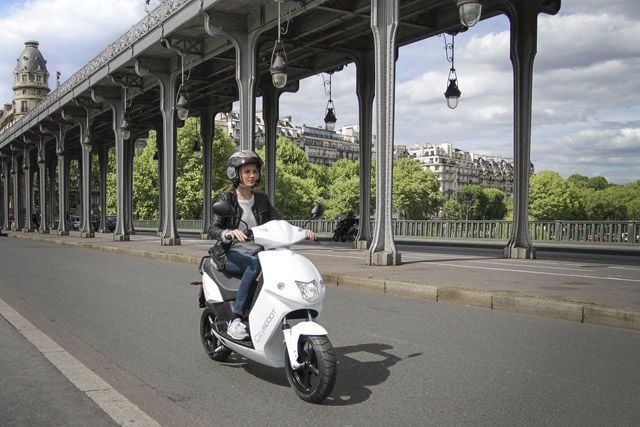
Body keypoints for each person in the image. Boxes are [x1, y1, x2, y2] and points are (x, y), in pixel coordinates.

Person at [208, 150, 316, 340]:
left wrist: (301, 231)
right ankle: (237, 319)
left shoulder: (262, 199)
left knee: (283, 261)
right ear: (235, 173)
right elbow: (213, 228)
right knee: (255, 264)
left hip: (259, 250)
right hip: (231, 253)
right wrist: (228, 233)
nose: (252, 175)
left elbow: (279, 222)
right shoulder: (227, 199)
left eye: (255, 171)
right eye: (247, 171)